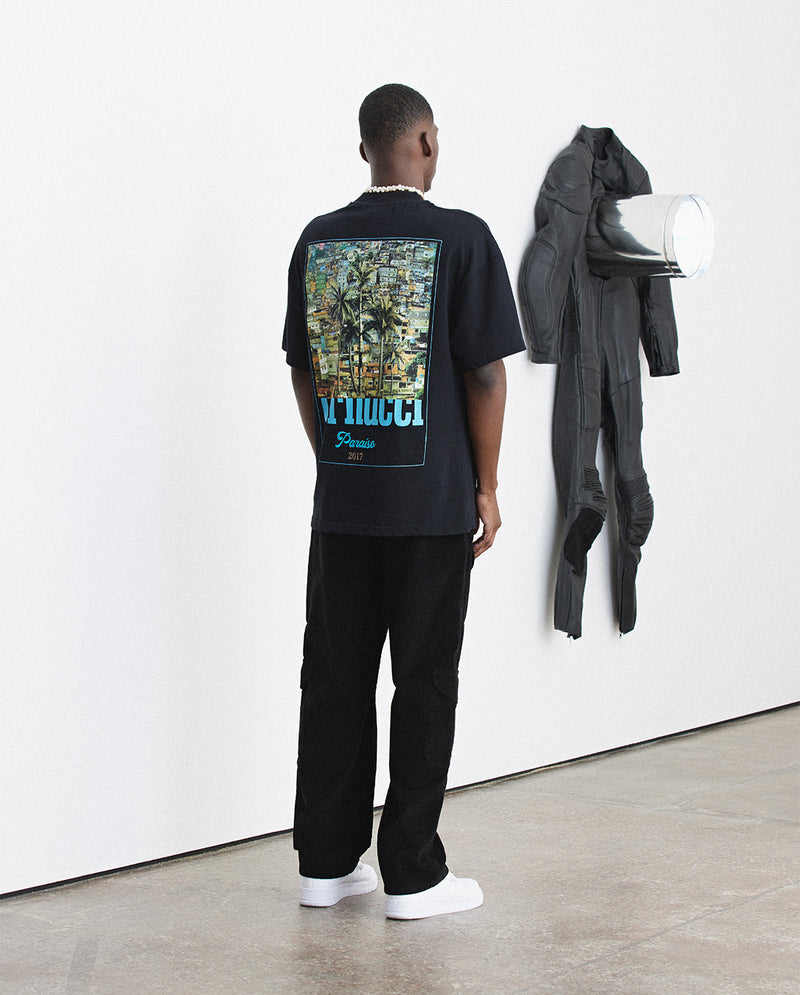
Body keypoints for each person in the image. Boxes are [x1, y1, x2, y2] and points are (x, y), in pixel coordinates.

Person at [282, 83, 524, 920]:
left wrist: (340, 454)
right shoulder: (464, 238)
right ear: (426, 141)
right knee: (423, 682)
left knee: (334, 680)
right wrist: (487, 485)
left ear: (364, 150)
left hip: (344, 508)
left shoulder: (318, 239)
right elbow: (485, 373)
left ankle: (324, 865)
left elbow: (305, 371)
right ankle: (413, 875)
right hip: (432, 508)